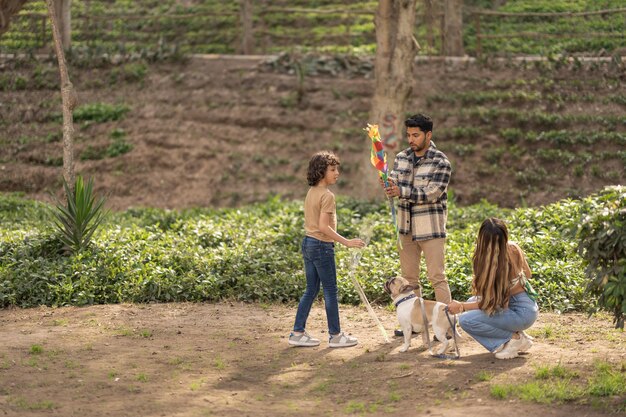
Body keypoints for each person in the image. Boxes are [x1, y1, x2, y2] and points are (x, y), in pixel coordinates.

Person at [382, 114, 452, 337]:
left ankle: (447, 325)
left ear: (428, 135)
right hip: (406, 228)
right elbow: (395, 181)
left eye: (416, 135)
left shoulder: (441, 162)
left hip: (431, 228)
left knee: (437, 277)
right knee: (410, 280)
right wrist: (389, 184)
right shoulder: (401, 157)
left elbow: (432, 193)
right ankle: (416, 325)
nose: (410, 139)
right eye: (408, 135)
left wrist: (401, 191)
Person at [289, 151, 366, 348]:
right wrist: (347, 242)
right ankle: (335, 335)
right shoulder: (327, 195)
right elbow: (324, 227)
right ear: (321, 172)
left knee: (311, 289)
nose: (337, 173)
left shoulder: (312, 192)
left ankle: (297, 332)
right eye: (332, 169)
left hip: (308, 243)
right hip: (322, 247)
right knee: (330, 291)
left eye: (337, 169)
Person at [447, 217, 538, 360]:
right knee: (473, 301)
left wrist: (461, 306)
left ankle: (514, 338)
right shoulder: (513, 247)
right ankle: (513, 339)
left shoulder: (487, 259)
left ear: (482, 239)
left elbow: (493, 303)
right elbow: (528, 274)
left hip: (521, 313)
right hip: (528, 306)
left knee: (466, 320)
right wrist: (514, 284)